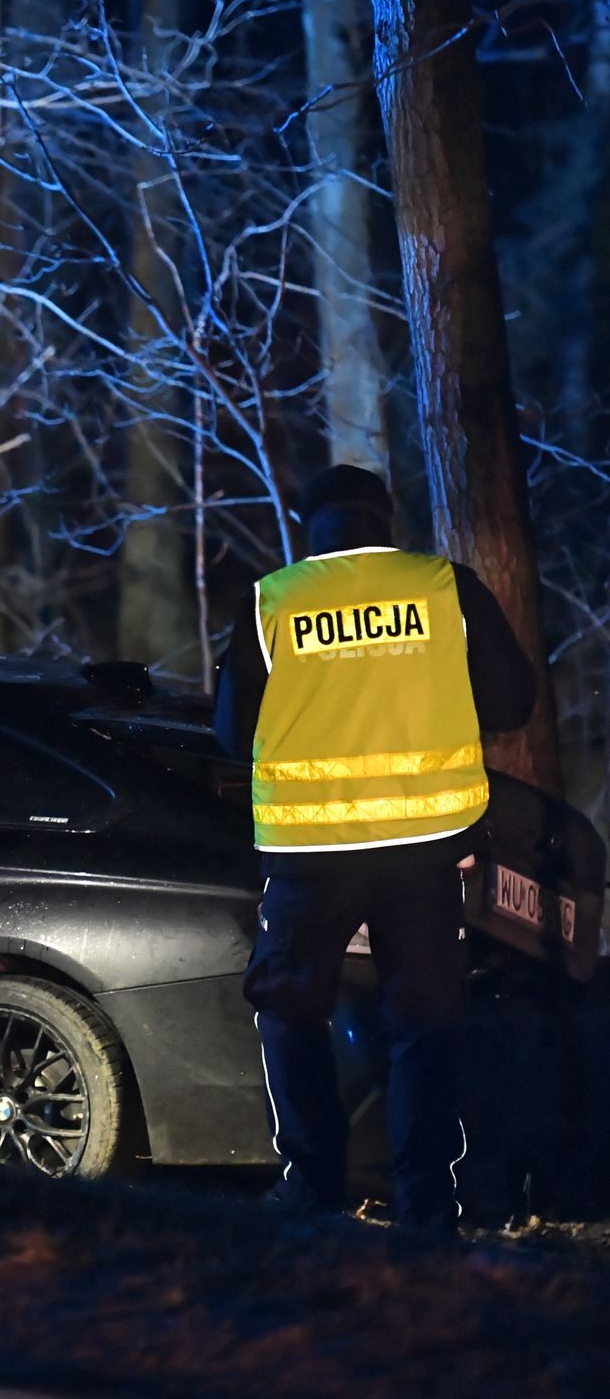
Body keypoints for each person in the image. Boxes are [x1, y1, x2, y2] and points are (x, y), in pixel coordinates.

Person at [213, 464, 534, 1230]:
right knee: (424, 1020)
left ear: (309, 527)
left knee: (289, 1012)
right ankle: (426, 1205)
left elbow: (230, 735)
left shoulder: (274, 601)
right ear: (384, 522)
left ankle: (313, 1185)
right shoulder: (441, 588)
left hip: (308, 853)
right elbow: (511, 703)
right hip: (425, 849)